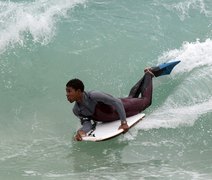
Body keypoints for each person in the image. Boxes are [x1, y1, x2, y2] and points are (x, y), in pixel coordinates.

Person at [66, 68, 155, 141]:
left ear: (78, 91)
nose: (67, 94)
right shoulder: (76, 110)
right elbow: (87, 124)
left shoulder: (94, 96)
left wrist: (123, 122)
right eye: (66, 91)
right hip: (116, 111)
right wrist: (82, 131)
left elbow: (117, 102)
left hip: (123, 107)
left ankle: (149, 74)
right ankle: (146, 74)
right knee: (131, 97)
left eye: (69, 91)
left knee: (146, 101)